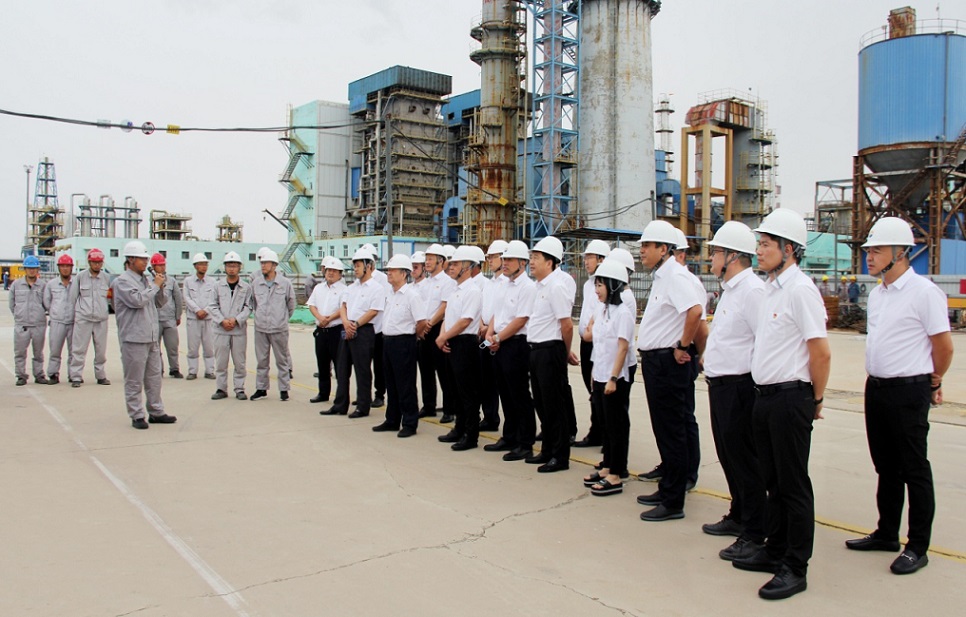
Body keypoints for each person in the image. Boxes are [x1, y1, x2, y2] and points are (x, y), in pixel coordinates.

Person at [731, 208, 830, 601]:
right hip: (766, 398)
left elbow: (820, 352)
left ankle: (795, 566)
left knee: (793, 485)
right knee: (771, 481)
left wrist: (814, 399)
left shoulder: (801, 290)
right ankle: (774, 550)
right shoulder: (771, 288)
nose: (759, 250)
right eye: (759, 243)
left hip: (791, 397)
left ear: (789, 249)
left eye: (766, 244)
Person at [845, 217, 952, 575]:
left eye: (876, 251)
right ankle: (886, 533)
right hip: (877, 388)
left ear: (900, 253)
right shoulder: (878, 294)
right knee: (886, 467)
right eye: (868, 251)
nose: (869, 257)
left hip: (909, 390)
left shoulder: (924, 293)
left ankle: (917, 546)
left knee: (914, 468)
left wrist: (934, 381)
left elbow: (943, 346)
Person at [701, 222, 768, 562]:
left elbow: (763, 341)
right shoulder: (730, 290)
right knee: (729, 456)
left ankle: (755, 531)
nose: (711, 258)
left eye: (715, 252)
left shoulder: (753, 291)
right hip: (721, 386)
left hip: (740, 387)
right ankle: (739, 513)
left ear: (732, 256)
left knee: (745, 461)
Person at [635, 220, 704, 522]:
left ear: (663, 249)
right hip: (657, 362)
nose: (642, 251)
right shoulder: (663, 277)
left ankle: (674, 500)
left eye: (647, 246)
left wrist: (682, 346)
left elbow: (695, 311)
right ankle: (668, 488)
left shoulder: (675, 276)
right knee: (665, 428)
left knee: (673, 430)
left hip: (667, 362)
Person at [581, 258, 635, 496]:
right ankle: (607, 466)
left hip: (615, 378)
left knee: (616, 425)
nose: (596, 290)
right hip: (601, 374)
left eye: (600, 285)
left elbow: (622, 348)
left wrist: (613, 377)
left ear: (613, 286)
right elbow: (597, 344)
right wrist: (596, 374)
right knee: (605, 423)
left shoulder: (623, 314)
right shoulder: (603, 310)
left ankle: (616, 473)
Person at [524, 236, 577, 473]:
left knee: (555, 406)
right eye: (531, 257)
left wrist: (564, 353)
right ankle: (547, 450)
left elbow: (566, 325)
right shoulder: (539, 287)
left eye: (536, 258)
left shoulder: (556, 287)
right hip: (536, 350)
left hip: (551, 350)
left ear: (550, 262)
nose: (532, 262)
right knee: (542, 404)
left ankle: (560, 455)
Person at [112, 241, 176, 429]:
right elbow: (137, 300)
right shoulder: (122, 281)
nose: (145, 262)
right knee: (134, 380)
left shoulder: (147, 281)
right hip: (134, 338)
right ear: (131, 259)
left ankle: (156, 411)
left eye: (146, 259)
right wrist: (155, 286)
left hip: (151, 337)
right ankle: (137, 414)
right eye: (142, 259)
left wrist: (160, 287)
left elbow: (160, 302)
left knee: (154, 378)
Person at [484, 240, 537, 462]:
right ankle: (509, 436)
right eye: (504, 259)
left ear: (522, 263)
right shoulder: (503, 285)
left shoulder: (528, 287)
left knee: (519, 394)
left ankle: (525, 442)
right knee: (505, 392)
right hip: (499, 342)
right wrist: (490, 334)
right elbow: (496, 314)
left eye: (509, 260)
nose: (504, 263)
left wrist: (498, 337)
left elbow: (521, 319)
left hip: (516, 344)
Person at [321, 248, 384, 417]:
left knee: (362, 370)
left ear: (368, 266)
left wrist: (355, 325)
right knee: (342, 369)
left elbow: (373, 311)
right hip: (347, 328)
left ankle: (363, 406)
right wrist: (346, 323)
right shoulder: (351, 287)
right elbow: (343, 306)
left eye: (358, 265)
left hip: (364, 330)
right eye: (354, 266)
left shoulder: (377, 288)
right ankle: (340, 405)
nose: (355, 269)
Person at [372, 254, 426, 438]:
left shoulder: (412, 295)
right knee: (391, 383)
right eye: (388, 270)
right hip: (387, 341)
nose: (389, 273)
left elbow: (422, 321)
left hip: (404, 342)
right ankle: (392, 419)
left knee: (405, 384)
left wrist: (412, 337)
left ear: (404, 274)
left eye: (393, 270)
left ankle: (410, 423)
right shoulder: (390, 294)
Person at [436, 246, 484, 451]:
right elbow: (448, 317)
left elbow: (465, 321)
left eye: (455, 264)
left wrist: (444, 337)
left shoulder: (472, 290)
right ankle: (459, 428)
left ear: (468, 266)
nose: (451, 267)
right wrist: (443, 336)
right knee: (455, 389)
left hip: (465, 343)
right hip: (452, 341)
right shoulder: (455, 290)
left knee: (467, 392)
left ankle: (470, 435)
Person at [674, 228, 708, 491]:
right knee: (672, 420)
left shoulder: (688, 282)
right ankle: (672, 466)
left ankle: (688, 472)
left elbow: (701, 327)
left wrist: (700, 356)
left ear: (681, 255)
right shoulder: (670, 280)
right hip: (674, 355)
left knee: (684, 417)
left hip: (684, 357)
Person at [575, 239, 611, 449]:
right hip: (586, 341)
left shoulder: (607, 284)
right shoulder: (589, 284)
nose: (586, 261)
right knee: (592, 390)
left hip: (598, 343)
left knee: (600, 389)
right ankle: (596, 430)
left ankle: (605, 433)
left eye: (590, 257)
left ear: (601, 259)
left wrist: (591, 332)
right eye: (585, 257)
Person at [416, 243, 457, 422]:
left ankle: (449, 409)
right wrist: (421, 326)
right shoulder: (425, 284)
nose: (427, 262)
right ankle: (429, 406)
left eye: (431, 259)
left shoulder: (448, 282)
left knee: (444, 371)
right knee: (425, 371)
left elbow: (444, 306)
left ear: (440, 261)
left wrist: (430, 323)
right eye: (426, 259)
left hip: (438, 329)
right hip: (424, 330)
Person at [249, 250, 296, 401]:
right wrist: (260, 317)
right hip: (261, 328)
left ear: (274, 265)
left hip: (279, 329)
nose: (262, 265)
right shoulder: (256, 283)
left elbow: (291, 304)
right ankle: (261, 389)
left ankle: (284, 389)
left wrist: (282, 319)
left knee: (282, 360)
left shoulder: (285, 283)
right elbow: (253, 303)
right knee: (262, 361)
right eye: (261, 263)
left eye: (266, 263)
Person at [208, 251, 252, 401]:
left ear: (240, 267)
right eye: (229, 265)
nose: (232, 268)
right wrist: (222, 320)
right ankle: (221, 389)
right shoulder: (217, 286)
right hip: (221, 330)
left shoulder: (246, 287)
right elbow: (212, 305)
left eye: (234, 265)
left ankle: (239, 389)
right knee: (221, 362)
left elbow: (248, 307)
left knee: (240, 362)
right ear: (224, 267)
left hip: (238, 330)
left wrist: (236, 320)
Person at [307, 256, 347, 404]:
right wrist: (320, 318)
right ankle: (323, 393)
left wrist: (328, 319)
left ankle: (341, 395)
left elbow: (343, 308)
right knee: (322, 363)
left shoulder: (344, 290)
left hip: (336, 330)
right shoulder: (318, 288)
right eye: (329, 270)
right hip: (321, 331)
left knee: (339, 365)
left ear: (340, 274)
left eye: (334, 271)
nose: (330, 273)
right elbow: (312, 305)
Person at [68, 248, 111, 387]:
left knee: (101, 351)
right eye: (94, 262)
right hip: (84, 319)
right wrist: (76, 315)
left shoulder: (106, 278)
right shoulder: (80, 277)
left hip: (101, 320)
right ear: (89, 262)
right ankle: (76, 376)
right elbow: (73, 298)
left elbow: (109, 298)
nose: (97, 265)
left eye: (99, 262)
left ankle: (101, 375)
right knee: (79, 349)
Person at [479, 240, 508, 432]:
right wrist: (482, 326)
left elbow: (502, 311)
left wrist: (489, 328)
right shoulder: (490, 283)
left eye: (493, 256)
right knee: (486, 380)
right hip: (485, 334)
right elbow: (484, 307)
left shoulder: (507, 283)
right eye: (488, 257)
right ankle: (490, 417)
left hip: (499, 335)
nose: (489, 260)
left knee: (503, 383)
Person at [9, 255, 47, 385]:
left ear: (38, 269)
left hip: (38, 324)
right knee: (20, 352)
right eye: (29, 268)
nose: (31, 270)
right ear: (25, 269)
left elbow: (47, 303)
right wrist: (19, 316)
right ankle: (21, 376)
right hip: (22, 325)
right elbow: (12, 304)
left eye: (34, 268)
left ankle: (39, 375)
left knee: (38, 353)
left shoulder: (43, 286)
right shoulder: (16, 285)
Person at [362, 243, 388, 409]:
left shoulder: (382, 279)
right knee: (363, 364)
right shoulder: (359, 281)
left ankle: (379, 394)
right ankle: (364, 395)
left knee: (379, 365)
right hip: (363, 329)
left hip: (378, 328)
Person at [43, 254, 75, 385]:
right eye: (62, 266)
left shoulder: (76, 284)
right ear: (59, 268)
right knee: (55, 350)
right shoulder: (51, 284)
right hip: (57, 322)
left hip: (73, 322)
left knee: (74, 351)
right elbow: (47, 302)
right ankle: (53, 374)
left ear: (72, 268)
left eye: (68, 266)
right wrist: (55, 312)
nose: (65, 269)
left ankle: (73, 375)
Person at [183, 253, 216, 380]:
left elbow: (214, 299)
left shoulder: (212, 282)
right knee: (193, 347)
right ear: (195, 266)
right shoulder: (188, 281)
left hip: (208, 319)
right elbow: (187, 297)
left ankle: (209, 370)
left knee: (209, 347)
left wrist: (206, 310)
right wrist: (197, 310)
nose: (204, 267)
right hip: (193, 318)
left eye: (205, 264)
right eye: (201, 264)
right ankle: (192, 371)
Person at [151, 253, 184, 378]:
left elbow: (178, 298)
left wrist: (178, 315)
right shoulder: (148, 281)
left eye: (163, 265)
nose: (162, 267)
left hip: (169, 319)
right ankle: (158, 370)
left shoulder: (171, 281)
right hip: (155, 319)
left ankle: (174, 369)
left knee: (172, 346)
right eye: (159, 265)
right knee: (155, 348)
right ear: (153, 267)